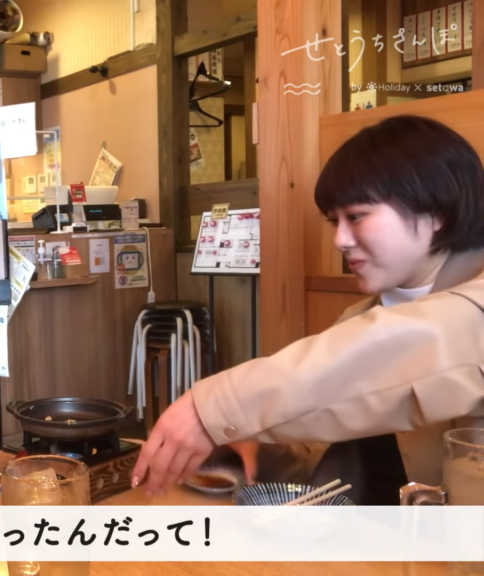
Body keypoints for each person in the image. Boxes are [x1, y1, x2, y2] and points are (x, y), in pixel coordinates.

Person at [131, 115, 484, 497]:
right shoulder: (360, 320)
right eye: (334, 222)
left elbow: (417, 343)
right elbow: (318, 453)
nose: (340, 240)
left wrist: (214, 409)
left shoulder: (463, 310)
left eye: (356, 217)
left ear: (434, 213)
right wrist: (253, 444)